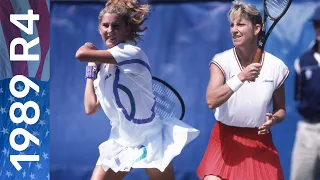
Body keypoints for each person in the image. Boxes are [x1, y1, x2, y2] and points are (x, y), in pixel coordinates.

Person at [75, 0, 199, 179]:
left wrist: (88, 51)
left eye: (116, 26)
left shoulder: (131, 52)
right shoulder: (102, 69)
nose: (110, 30)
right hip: (120, 140)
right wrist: (91, 72)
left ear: (127, 29)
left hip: (150, 137)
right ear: (99, 28)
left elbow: (81, 54)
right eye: (105, 25)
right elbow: (90, 107)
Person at [197, 1, 289, 180]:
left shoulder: (277, 66)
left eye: (240, 24)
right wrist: (240, 77)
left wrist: (274, 119)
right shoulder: (221, 61)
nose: (234, 30)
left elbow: (281, 109)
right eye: (232, 25)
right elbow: (211, 101)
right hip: (224, 141)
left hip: (260, 144)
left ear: (256, 29)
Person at [290, 6, 320, 180]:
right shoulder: (302, 61)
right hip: (308, 129)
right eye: (317, 24)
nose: (319, 29)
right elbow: (299, 96)